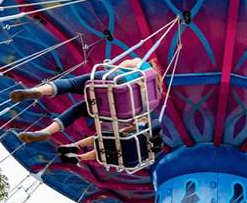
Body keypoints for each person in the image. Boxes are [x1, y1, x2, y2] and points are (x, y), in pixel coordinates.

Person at [12, 58, 160, 144]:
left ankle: (38, 91)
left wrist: (109, 64)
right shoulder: (154, 98)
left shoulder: (141, 64)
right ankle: (45, 132)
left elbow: (119, 67)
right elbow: (136, 120)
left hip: (114, 83)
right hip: (117, 110)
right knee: (78, 111)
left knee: (72, 84)